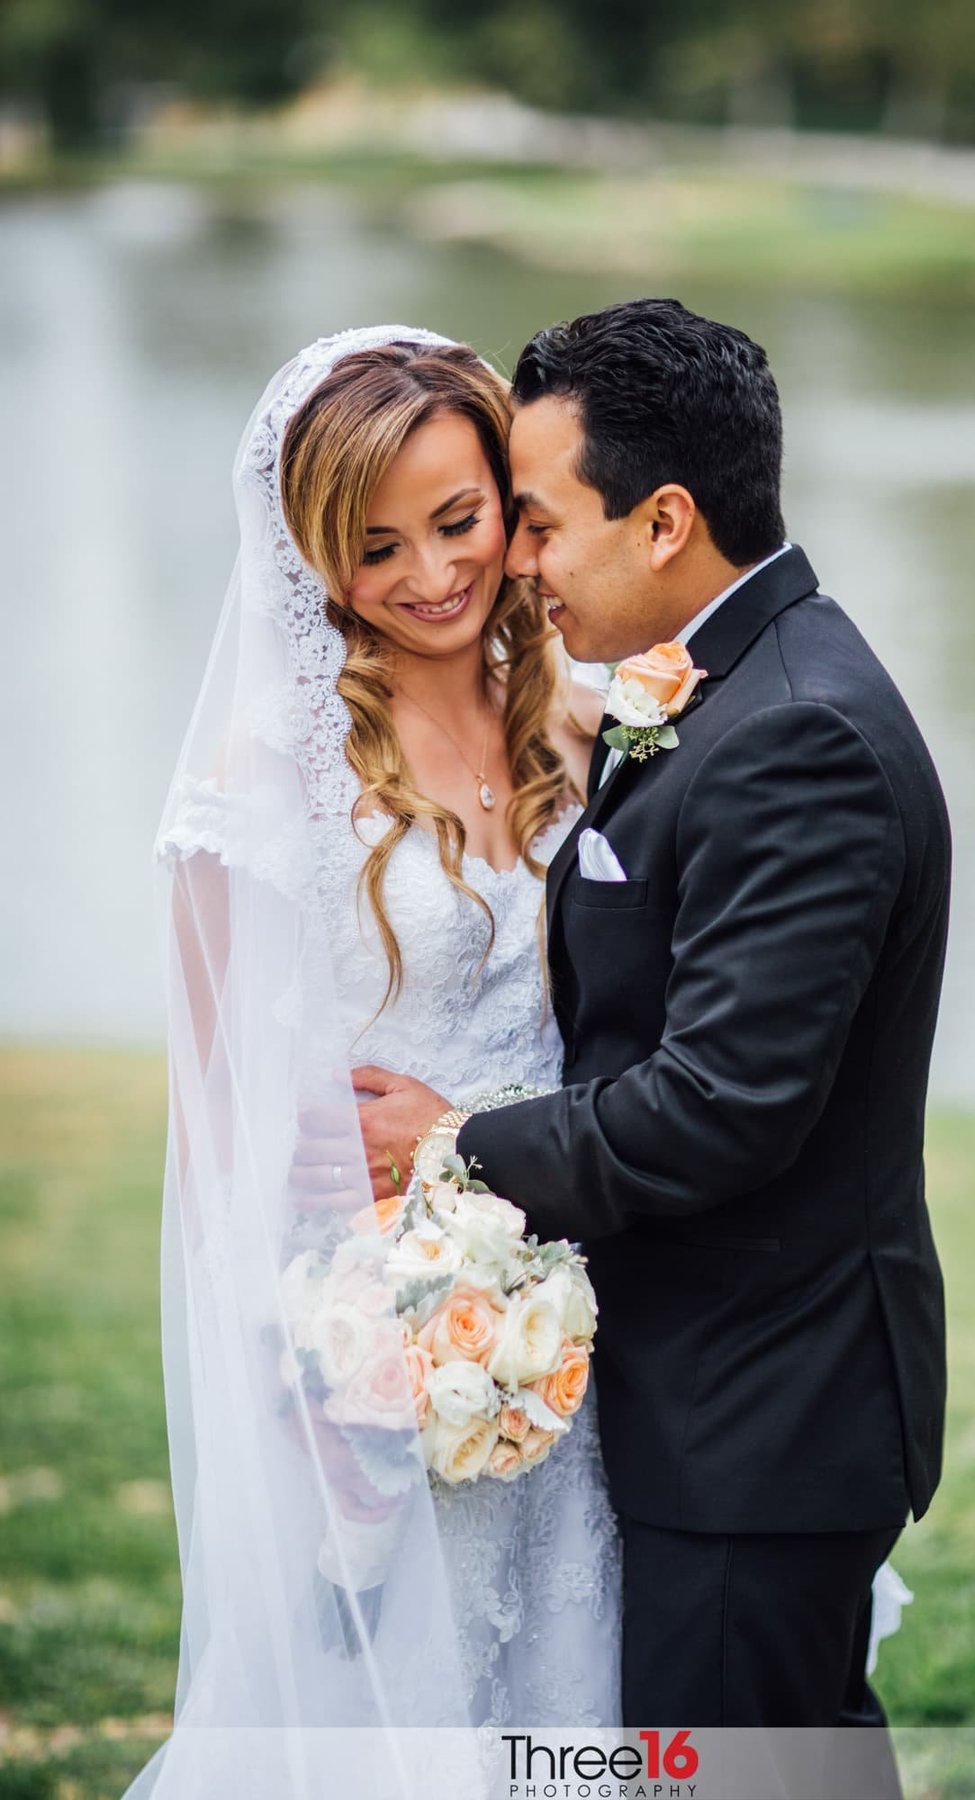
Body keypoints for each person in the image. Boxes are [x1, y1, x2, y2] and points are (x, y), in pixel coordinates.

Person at [369, 297, 950, 1789]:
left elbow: (721, 1106)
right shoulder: (736, 682)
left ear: (668, 518)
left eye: (542, 524)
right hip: (729, 1391)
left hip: (766, 1410)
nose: (517, 561)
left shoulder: (796, 733)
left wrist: (451, 1142)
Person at [129, 325, 620, 1800]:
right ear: (307, 557)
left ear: (509, 494)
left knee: (574, 1705)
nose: (429, 576)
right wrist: (322, 1373)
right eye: (373, 546)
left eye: (459, 522)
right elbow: (227, 1136)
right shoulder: (267, 771)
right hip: (379, 1344)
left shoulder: (578, 709)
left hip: (569, 1305)